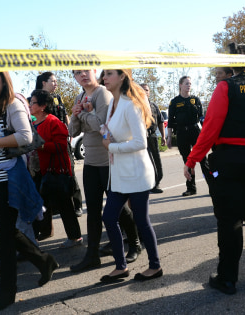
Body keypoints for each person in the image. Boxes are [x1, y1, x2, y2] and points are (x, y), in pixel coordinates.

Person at [184, 43, 245, 295]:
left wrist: (192, 159)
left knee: (230, 221)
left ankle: (227, 278)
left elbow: (211, 127)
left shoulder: (226, 87)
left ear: (229, 61)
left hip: (232, 160)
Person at [0, 72, 58, 312]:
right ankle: (43, 260)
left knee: (3, 235)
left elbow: (24, 136)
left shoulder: (13, 104)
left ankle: (8, 292)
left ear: (3, 79)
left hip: (9, 176)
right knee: (7, 231)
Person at [68, 69, 141, 272]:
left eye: (85, 71)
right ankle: (92, 255)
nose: (82, 75)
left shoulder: (103, 93)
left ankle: (135, 244)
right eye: (76, 73)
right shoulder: (80, 96)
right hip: (90, 162)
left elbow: (101, 124)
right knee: (92, 210)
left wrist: (82, 114)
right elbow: (73, 131)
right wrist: (77, 116)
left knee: (118, 208)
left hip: (108, 160)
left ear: (94, 72)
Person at [99, 69, 163, 283]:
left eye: (108, 74)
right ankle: (121, 267)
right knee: (108, 217)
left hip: (136, 173)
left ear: (122, 77)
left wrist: (112, 146)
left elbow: (140, 142)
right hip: (119, 174)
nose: (104, 78)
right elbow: (112, 131)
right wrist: (105, 132)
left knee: (141, 220)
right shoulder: (112, 105)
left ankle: (155, 266)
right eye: (103, 75)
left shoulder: (131, 104)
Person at [29, 89, 83, 248]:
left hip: (56, 171)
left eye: (33, 103)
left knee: (65, 206)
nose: (30, 105)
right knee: (38, 204)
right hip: (38, 170)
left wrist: (42, 145)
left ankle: (75, 237)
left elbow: (61, 146)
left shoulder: (53, 122)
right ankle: (35, 237)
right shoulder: (32, 123)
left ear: (43, 106)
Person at [36, 72, 84, 218]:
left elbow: (64, 115)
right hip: (47, 141)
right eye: (53, 81)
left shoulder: (57, 97)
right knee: (49, 174)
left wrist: (70, 131)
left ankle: (76, 205)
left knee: (69, 171)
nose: (56, 83)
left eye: (56, 81)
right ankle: (54, 207)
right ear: (44, 82)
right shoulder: (36, 98)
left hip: (61, 139)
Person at [167, 76, 213, 196]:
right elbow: (171, 121)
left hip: (195, 131)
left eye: (190, 84)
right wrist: (169, 137)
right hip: (182, 133)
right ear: (180, 85)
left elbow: (202, 118)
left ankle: (212, 186)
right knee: (187, 160)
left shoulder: (195, 100)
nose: (189, 85)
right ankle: (191, 188)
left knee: (203, 159)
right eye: (187, 83)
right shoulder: (174, 102)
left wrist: (207, 132)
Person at [140, 83, 165, 194]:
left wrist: (163, 137)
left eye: (147, 90)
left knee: (157, 161)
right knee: (149, 163)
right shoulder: (136, 106)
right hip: (142, 138)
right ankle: (151, 185)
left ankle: (157, 181)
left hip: (153, 136)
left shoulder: (154, 106)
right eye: (143, 90)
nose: (145, 92)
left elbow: (161, 121)